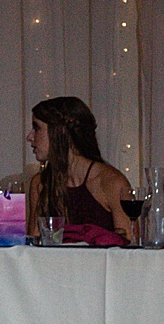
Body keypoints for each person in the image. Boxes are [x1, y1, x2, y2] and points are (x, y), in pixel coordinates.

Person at [26, 96, 135, 241]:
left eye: (37, 128)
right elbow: (33, 245)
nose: (30, 137)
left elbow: (129, 246)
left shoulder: (111, 182)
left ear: (60, 131)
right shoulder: (41, 183)